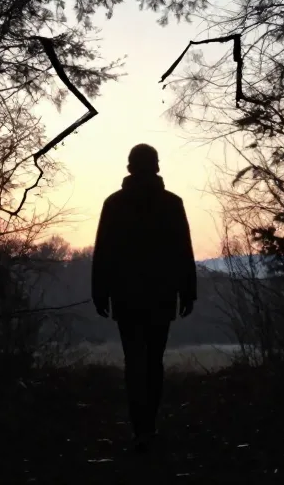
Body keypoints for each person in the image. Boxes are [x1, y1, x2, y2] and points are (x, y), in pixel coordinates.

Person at [91, 143, 197, 453]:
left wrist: (100, 292)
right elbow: (183, 250)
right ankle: (149, 425)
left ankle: (140, 428)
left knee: (134, 361)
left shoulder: (114, 204)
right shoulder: (172, 203)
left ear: (129, 168)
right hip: (161, 295)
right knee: (153, 361)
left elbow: (103, 251)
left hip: (126, 296)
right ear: (157, 166)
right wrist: (187, 291)